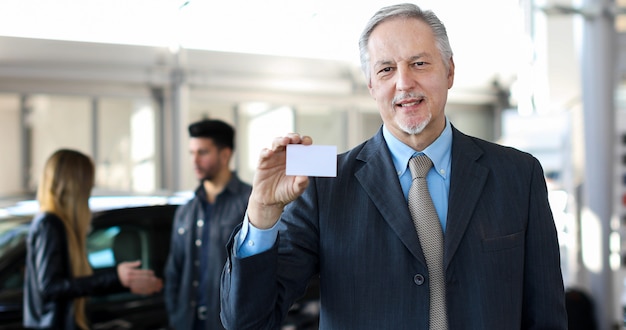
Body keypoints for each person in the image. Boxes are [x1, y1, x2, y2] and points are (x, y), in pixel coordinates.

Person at [220, 3, 567, 329]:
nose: (403, 83)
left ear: (449, 71)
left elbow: (547, 315)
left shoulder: (518, 174)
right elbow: (248, 322)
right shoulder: (325, 183)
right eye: (386, 69)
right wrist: (262, 215)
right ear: (372, 85)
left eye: (419, 63)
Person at [23, 149, 163, 330]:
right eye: (88, 183)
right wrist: (114, 278)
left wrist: (120, 281)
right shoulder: (49, 224)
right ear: (76, 185)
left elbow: (74, 284)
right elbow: (51, 287)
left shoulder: (52, 223)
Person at [164, 119, 252, 330]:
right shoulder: (185, 211)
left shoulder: (251, 204)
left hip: (229, 324)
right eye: (191, 152)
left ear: (225, 154)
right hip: (188, 323)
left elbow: (258, 272)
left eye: (202, 152)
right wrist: (176, 317)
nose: (194, 160)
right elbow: (173, 271)